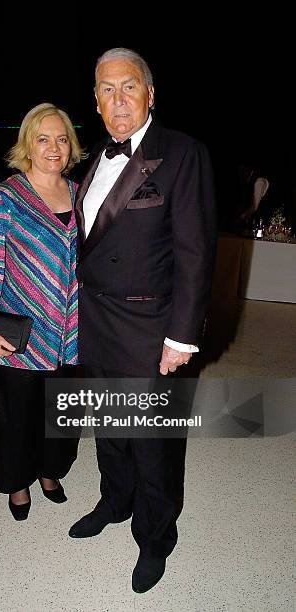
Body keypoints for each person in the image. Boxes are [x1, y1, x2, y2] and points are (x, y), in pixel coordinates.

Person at [70, 48, 218, 593]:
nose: (118, 100)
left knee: (151, 440)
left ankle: (156, 535)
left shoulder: (182, 154)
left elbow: (196, 253)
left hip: (148, 326)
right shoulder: (92, 162)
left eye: (128, 86)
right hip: (95, 322)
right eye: (106, 90)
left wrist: (182, 336)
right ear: (96, 101)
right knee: (108, 429)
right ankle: (114, 500)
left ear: (150, 93)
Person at [0, 103, 86, 521]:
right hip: (21, 329)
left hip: (70, 327)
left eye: (61, 139)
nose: (53, 148)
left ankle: (50, 471)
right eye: (43, 138)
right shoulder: (4, 197)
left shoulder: (78, 194)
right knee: (16, 414)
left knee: (61, 408)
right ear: (28, 145)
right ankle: (17, 482)